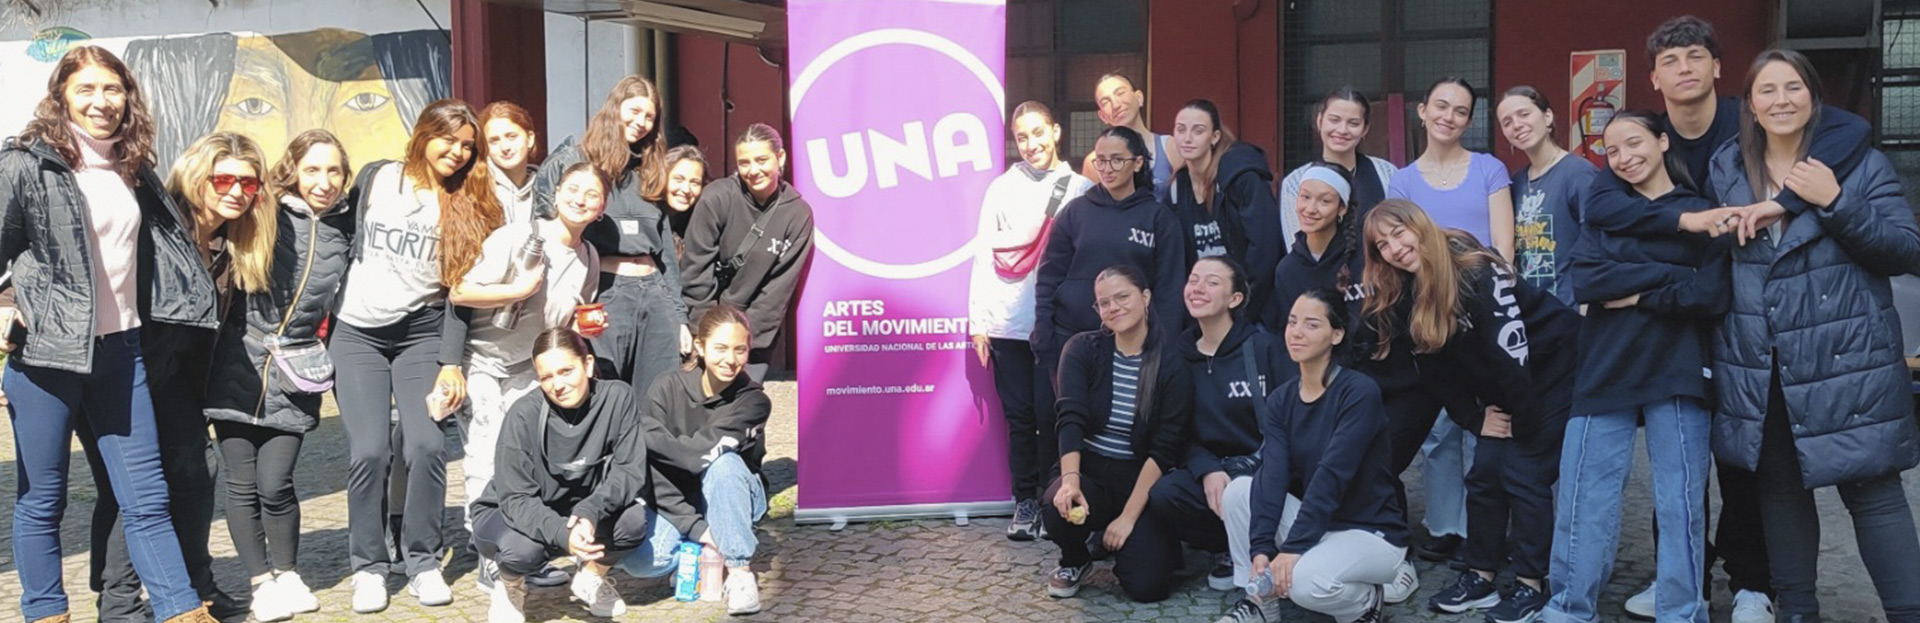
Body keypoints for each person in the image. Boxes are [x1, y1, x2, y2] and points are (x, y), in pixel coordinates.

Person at [1586, 18, 1871, 619]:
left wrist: (1779, 203)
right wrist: (1686, 222)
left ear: (1717, 68)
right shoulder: (1645, 135)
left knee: (1744, 455)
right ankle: (1676, 576)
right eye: (1671, 60)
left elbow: (1851, 128)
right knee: (1678, 460)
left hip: (1751, 315)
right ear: (1654, 77)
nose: (1684, 68)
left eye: (1696, 57)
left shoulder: (1752, 115)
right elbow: (1604, 200)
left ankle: (1751, 581)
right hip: (1678, 320)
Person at [0, 45, 222, 623]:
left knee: (146, 498)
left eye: (113, 89)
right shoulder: (27, 163)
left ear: (128, 97)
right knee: (42, 499)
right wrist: (7, 307)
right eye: (87, 90)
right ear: (62, 97)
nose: (101, 102)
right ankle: (45, 611)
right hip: (46, 355)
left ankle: (180, 610)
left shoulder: (133, 165)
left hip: (121, 352)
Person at [1709, 49, 1920, 623]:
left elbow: (1906, 250)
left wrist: (1835, 201)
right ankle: (1798, 611)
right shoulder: (1727, 167)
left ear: (1813, 96)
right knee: (1779, 493)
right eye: (1767, 90)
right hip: (1762, 360)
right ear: (1749, 105)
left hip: (1847, 358)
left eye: (1793, 87)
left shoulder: (1857, 164)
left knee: (1873, 494)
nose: (1781, 100)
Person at [1546, 110, 1731, 623]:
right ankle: (1568, 607)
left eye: (1635, 143)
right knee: (1586, 496)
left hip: (1678, 365)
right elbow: (1587, 278)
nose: (1625, 157)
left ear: (1663, 141)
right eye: (1613, 150)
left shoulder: (1703, 212)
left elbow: (1711, 293)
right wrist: (1673, 274)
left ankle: (1682, 610)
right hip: (1606, 364)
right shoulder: (1607, 210)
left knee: (1681, 502)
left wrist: (1638, 294)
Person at [79, 130, 271, 621]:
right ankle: (120, 601)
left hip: (178, 383)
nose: (235, 191)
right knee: (136, 487)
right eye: (223, 178)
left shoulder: (230, 247)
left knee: (196, 476)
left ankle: (195, 585)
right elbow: (81, 257)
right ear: (197, 176)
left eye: (248, 184)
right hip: (124, 371)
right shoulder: (156, 227)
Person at [1361, 202, 1579, 623]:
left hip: (1556, 371)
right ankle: (1481, 575)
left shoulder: (1476, 266)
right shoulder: (1408, 291)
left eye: (1398, 233)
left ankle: (1532, 584)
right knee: (1483, 474)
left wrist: (1525, 424)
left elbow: (1509, 350)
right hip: (1509, 386)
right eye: (1382, 245)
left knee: (1523, 472)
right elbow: (1434, 369)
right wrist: (1473, 419)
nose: (1395, 248)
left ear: (1419, 224)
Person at [333, 98, 500, 612]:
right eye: (448, 139)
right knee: (370, 450)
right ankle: (369, 566)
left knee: (426, 445)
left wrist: (451, 361)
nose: (457, 152)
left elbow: (459, 291)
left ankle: (423, 560)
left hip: (421, 334)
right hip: (356, 332)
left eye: (467, 146)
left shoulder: (466, 201)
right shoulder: (376, 178)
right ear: (424, 133)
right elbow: (336, 237)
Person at [202, 129, 353, 622]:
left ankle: (287, 573)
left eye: (333, 171)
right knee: (242, 483)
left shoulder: (344, 231)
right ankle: (259, 581)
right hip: (236, 366)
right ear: (292, 170)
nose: (324, 181)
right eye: (312, 169)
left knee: (277, 481)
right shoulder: (262, 215)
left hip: (296, 372)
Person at [451, 162, 608, 590]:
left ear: (601, 207)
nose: (580, 199)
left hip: (531, 368)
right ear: (555, 195)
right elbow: (459, 291)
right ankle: (488, 554)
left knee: (525, 458)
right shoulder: (518, 236)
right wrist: (518, 291)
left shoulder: (589, 256)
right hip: (484, 360)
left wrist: (586, 331)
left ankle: (521, 545)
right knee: (486, 453)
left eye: (591, 194)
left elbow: (572, 320)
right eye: (572, 189)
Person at [1388, 76, 1513, 563]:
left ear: (1469, 119)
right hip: (1430, 312)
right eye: (1441, 106)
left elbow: (1503, 247)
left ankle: (1490, 526)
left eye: (1460, 110)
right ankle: (1445, 525)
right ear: (1422, 110)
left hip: (1484, 308)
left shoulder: (1489, 169)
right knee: (1440, 425)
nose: (1449, 116)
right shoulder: (1403, 180)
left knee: (1489, 423)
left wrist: (1494, 304)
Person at [1239, 288, 1406, 623]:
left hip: (1370, 532)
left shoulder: (1358, 392)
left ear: (1337, 334)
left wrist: (1292, 548)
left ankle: (1366, 601)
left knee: (1305, 585)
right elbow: (1273, 475)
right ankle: (1261, 599)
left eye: (1312, 325)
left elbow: (1333, 474)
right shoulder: (1281, 399)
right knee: (1239, 491)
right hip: (1321, 525)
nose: (1297, 332)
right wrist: (1260, 549)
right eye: (1292, 322)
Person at [967, 100, 1092, 540]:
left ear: (1056, 132)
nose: (1031, 143)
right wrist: (978, 320)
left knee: (1055, 414)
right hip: (1007, 323)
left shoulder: (1079, 188)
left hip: (1057, 326)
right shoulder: (1001, 188)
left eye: (1038, 133)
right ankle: (1024, 500)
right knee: (1020, 416)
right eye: (1022, 136)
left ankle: (1052, 498)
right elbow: (983, 253)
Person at [471, 329, 655, 623]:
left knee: (632, 522)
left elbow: (629, 471)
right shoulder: (523, 415)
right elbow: (515, 498)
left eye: (567, 371)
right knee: (523, 552)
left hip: (578, 508)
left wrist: (591, 511)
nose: (558, 385)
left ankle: (592, 575)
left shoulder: (618, 398)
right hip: (510, 511)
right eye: (547, 377)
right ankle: (509, 585)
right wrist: (562, 532)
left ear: (589, 365)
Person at [1142, 257, 1290, 610]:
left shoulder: (1264, 347)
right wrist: (1207, 467)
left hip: (1266, 467)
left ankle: (1271, 550)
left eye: (1211, 282)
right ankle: (1225, 548)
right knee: (1165, 493)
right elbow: (1177, 429)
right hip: (1216, 470)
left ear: (1235, 298)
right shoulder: (1178, 354)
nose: (1197, 288)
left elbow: (1291, 418)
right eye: (1193, 280)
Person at [1040, 264, 1193, 601]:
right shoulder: (1082, 349)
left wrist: (1127, 517)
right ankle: (1075, 559)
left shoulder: (1171, 363)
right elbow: (1070, 419)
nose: (1114, 308)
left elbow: (1164, 448)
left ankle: (1151, 543)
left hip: (1138, 478)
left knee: (1147, 586)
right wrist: (1070, 481)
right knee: (1057, 504)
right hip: (1089, 468)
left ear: (1146, 296)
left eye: (1122, 297)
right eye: (1104, 303)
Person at [539, 76, 690, 394]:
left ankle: (652, 447)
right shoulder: (576, 162)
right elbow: (546, 230)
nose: (641, 122)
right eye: (634, 111)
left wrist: (679, 316)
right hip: (606, 292)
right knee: (606, 393)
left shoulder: (649, 168)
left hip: (655, 293)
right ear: (614, 109)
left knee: (659, 394)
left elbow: (664, 249)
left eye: (649, 117)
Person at [636, 303, 775, 616]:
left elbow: (695, 457)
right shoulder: (665, 388)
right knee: (642, 563)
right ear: (699, 346)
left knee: (722, 464)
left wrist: (663, 445)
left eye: (740, 349)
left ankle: (739, 571)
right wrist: (696, 527)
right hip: (677, 499)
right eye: (721, 348)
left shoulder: (754, 401)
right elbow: (650, 460)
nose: (731, 359)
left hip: (733, 493)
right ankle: (702, 548)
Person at [681, 123, 816, 383]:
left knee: (742, 415)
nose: (753, 170)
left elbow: (777, 291)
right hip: (705, 332)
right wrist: (708, 335)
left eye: (762, 160)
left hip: (751, 339)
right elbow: (695, 270)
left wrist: (739, 340)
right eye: (744, 162)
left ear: (781, 158)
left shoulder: (797, 215)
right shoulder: (717, 198)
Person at [1164, 99, 1282, 316]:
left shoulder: (1242, 176)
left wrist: (1242, 309)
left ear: (1215, 136)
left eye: (1198, 131)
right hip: (1205, 311)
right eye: (1181, 130)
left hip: (1253, 310)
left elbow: (1265, 249)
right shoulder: (1176, 189)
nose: (1187, 138)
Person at [1497, 85, 1597, 304]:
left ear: (1548, 116)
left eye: (1524, 114)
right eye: (1507, 122)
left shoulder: (1578, 173)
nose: (1517, 125)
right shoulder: (1517, 182)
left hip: (1571, 310)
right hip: (1533, 312)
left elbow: (1597, 242)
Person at [1279, 88, 1398, 242]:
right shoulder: (1295, 182)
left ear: (1365, 129)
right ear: (1319, 121)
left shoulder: (1387, 173)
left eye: (1353, 123)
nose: (1342, 130)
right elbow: (1294, 245)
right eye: (1334, 120)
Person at [1080, 72, 1181, 191]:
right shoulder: (1095, 162)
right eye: (1105, 102)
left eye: (1121, 93)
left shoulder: (1171, 147)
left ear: (1139, 98)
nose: (1116, 105)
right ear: (1102, 116)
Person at [482, 101, 540, 224]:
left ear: (530, 139)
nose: (504, 147)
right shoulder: (477, 190)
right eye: (494, 141)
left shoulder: (548, 188)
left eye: (512, 137)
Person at [663, 144, 708, 262]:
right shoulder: (645, 220)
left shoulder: (699, 223)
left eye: (694, 182)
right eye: (678, 179)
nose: (686, 190)